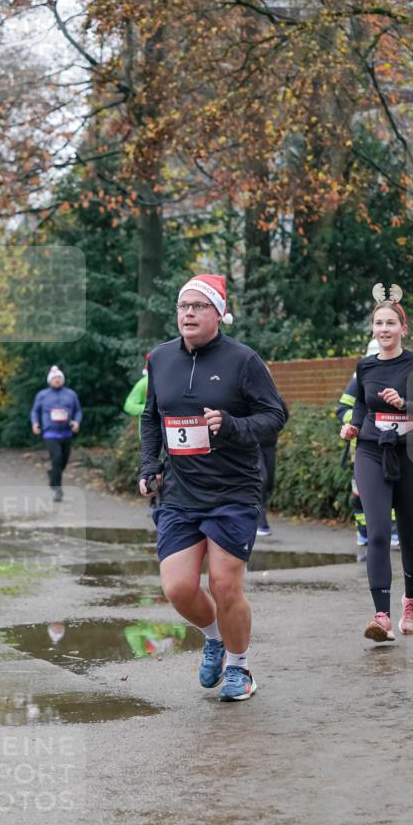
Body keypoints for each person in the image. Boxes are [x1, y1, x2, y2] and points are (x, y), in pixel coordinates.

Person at [138, 273, 287, 700]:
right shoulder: (160, 359)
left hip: (233, 490)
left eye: (198, 306)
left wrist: (233, 425)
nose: (188, 313)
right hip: (181, 492)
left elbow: (275, 416)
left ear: (219, 313)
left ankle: (240, 669)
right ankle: (215, 639)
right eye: (183, 306)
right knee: (179, 588)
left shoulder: (243, 361)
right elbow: (151, 417)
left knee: (224, 584)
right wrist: (150, 465)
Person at [340, 285, 413, 642]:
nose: (384, 329)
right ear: (373, 329)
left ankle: (411, 600)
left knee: (411, 532)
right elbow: (363, 407)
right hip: (371, 451)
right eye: (378, 323)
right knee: (379, 532)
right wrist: (352, 425)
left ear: (403, 328)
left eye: (390, 323)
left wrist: (404, 404)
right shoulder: (365, 366)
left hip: (412, 453)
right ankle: (381, 615)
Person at [336, 339, 400, 552]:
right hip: (364, 446)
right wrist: (359, 424)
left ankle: (391, 532)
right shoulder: (360, 378)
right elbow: (342, 409)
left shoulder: (399, 374)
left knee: (392, 488)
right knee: (361, 492)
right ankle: (363, 531)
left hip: (393, 445)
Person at [30, 366, 82, 502]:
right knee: (57, 457)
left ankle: (53, 475)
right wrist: (35, 423)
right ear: (49, 381)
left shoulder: (71, 394)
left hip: (66, 432)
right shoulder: (42, 395)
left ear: (63, 380)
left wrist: (76, 422)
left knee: (62, 462)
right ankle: (58, 489)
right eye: (54, 378)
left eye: (59, 378)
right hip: (50, 433)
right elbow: (34, 411)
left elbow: (78, 411)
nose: (57, 380)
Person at [256, 391, 288, 537]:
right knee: (261, 480)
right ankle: (260, 522)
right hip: (251, 443)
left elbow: (283, 415)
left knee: (269, 482)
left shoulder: (274, 396)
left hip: (269, 444)